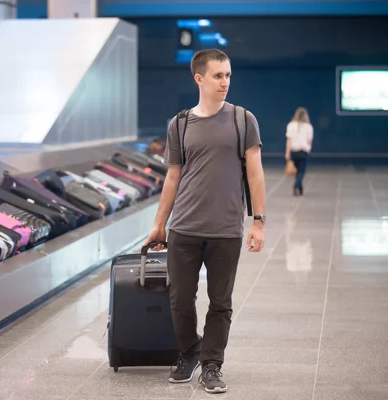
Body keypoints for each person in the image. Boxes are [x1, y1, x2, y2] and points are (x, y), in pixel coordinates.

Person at [143, 49, 266, 394]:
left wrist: (259, 221)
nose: (225, 82)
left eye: (228, 75)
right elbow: (172, 177)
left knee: (220, 302)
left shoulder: (244, 120)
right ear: (199, 78)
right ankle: (190, 351)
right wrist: (159, 224)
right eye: (217, 75)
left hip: (226, 228)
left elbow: (255, 174)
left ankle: (212, 364)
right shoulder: (180, 124)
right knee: (180, 298)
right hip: (184, 227)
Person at [284, 107, 313, 196]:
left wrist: (287, 153)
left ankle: (299, 188)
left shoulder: (291, 125)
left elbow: (289, 140)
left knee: (296, 171)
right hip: (304, 151)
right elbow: (309, 141)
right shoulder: (309, 127)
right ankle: (297, 185)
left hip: (294, 152)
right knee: (301, 171)